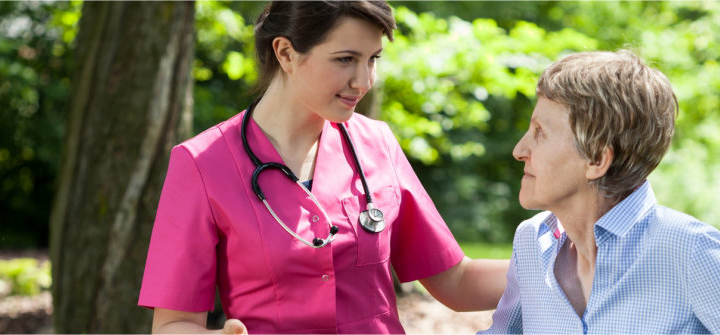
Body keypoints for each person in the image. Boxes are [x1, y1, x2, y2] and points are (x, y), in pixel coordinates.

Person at [138, 1, 507, 333]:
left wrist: (557, 262)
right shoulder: (201, 163)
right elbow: (174, 323)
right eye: (345, 59)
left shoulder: (377, 143)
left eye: (373, 59)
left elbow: (457, 282)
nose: (363, 81)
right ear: (285, 53)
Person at [480, 50, 720, 334]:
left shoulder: (686, 250)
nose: (519, 149)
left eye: (539, 132)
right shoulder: (532, 241)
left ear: (596, 159)